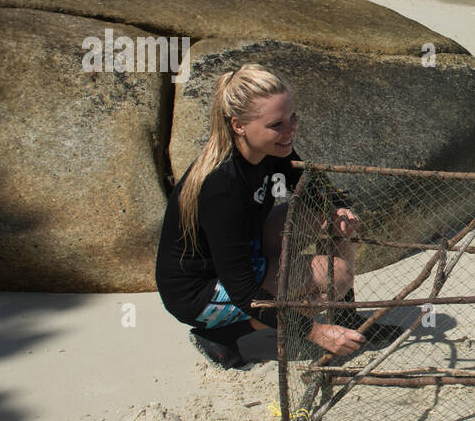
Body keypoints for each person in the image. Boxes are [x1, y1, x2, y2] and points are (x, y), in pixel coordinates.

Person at [155, 63, 371, 369]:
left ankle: (347, 316)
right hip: (200, 290)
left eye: (292, 117)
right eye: (277, 124)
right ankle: (227, 334)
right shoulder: (222, 184)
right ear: (238, 125)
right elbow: (242, 289)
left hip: (247, 249)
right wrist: (315, 331)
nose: (290, 129)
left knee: (324, 218)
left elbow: (310, 184)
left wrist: (337, 208)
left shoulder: (272, 151)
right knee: (338, 275)